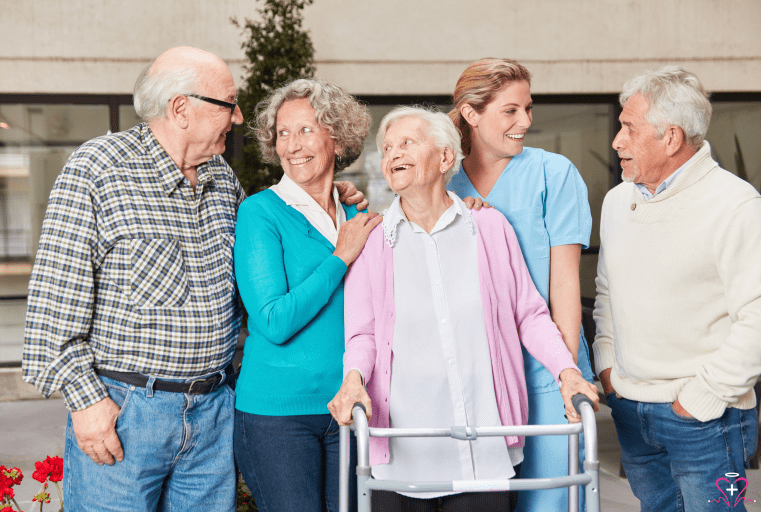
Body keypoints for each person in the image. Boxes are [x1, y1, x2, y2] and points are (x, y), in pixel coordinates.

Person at [328, 106, 599, 512]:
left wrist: (568, 372)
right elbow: (362, 334)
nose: (392, 155)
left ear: (444, 158)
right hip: (403, 451)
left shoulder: (489, 229)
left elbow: (528, 313)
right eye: (386, 148)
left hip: (482, 447)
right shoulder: (375, 242)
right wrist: (353, 380)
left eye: (407, 143)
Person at [20, 47, 245, 511]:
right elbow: (51, 307)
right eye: (229, 103)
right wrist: (86, 404)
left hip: (213, 415)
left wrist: (322, 199)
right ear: (182, 108)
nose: (238, 117)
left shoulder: (223, 179)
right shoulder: (98, 168)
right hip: (125, 412)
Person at [594, 66, 761, 512]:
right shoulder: (618, 201)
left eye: (629, 128)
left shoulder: (736, 204)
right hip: (631, 409)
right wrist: (608, 366)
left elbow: (758, 317)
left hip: (708, 419)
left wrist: (702, 397)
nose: (617, 142)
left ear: (670, 138)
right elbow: (607, 293)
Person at [446, 58, 596, 511]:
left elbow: (565, 285)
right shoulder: (443, 181)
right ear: (471, 114)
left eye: (527, 109)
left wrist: (565, 373)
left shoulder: (555, 174)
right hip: (479, 376)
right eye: (510, 111)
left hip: (546, 371)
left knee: (551, 501)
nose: (525, 122)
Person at [232, 77, 381, 512]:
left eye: (306, 130)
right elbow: (273, 320)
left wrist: (466, 207)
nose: (292, 145)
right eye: (282, 133)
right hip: (277, 415)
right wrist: (339, 258)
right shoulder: (260, 213)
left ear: (336, 137)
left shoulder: (356, 212)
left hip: (349, 407)